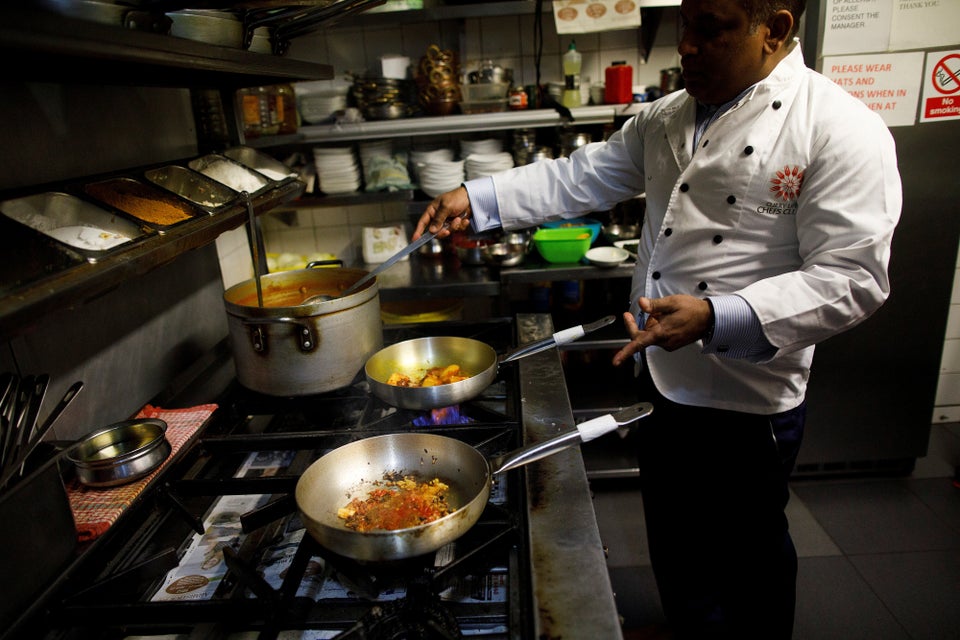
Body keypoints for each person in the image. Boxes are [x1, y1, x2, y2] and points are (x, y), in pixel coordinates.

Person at [413, 0, 901, 637]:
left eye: (711, 29)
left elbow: (854, 278)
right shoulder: (669, 115)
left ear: (775, 29)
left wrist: (717, 315)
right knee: (676, 548)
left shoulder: (840, 128)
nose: (687, 47)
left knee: (748, 562)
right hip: (661, 376)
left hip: (746, 402)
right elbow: (580, 177)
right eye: (684, 26)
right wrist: (477, 198)